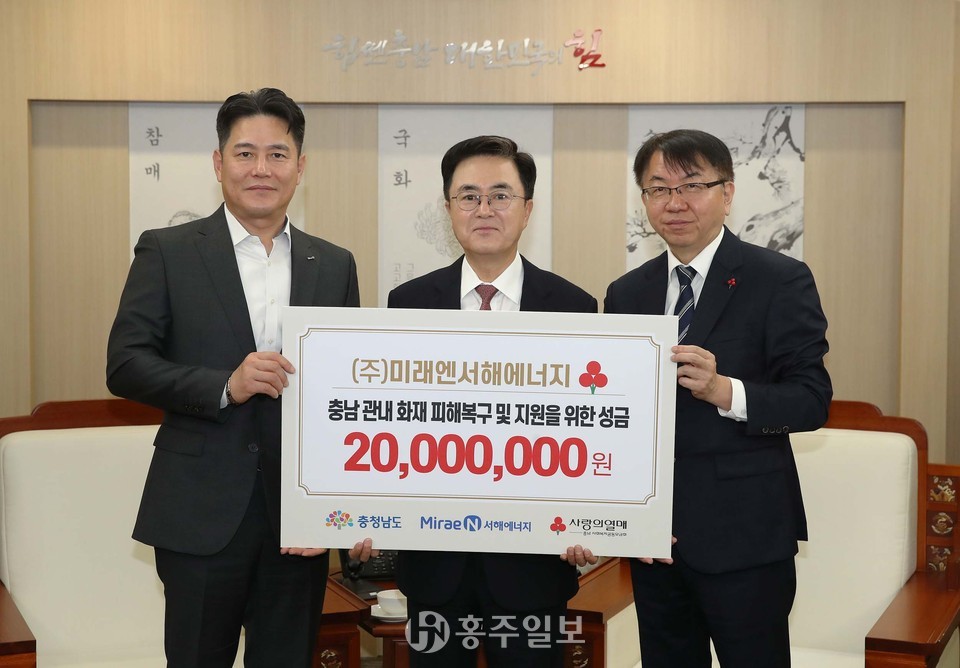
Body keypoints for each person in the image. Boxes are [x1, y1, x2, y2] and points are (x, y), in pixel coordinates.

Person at [106, 88, 360, 668]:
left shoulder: (334, 263)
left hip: (296, 521)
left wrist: (334, 511)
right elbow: (125, 364)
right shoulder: (168, 251)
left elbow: (342, 398)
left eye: (277, 154)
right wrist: (226, 385)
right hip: (200, 511)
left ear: (300, 166)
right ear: (219, 163)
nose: (261, 169)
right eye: (245, 153)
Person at [604, 129, 832, 668]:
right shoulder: (626, 293)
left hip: (744, 536)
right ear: (644, 201)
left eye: (693, 185)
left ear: (727, 193)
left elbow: (811, 400)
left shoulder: (778, 279)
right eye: (658, 189)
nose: (675, 202)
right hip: (656, 539)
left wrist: (723, 390)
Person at [386, 135, 599, 667]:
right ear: (448, 208)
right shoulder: (407, 304)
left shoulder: (574, 307)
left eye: (501, 195)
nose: (484, 209)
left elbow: (588, 429)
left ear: (527, 209)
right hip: (434, 568)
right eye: (469, 196)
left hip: (534, 568)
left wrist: (589, 520)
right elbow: (391, 422)